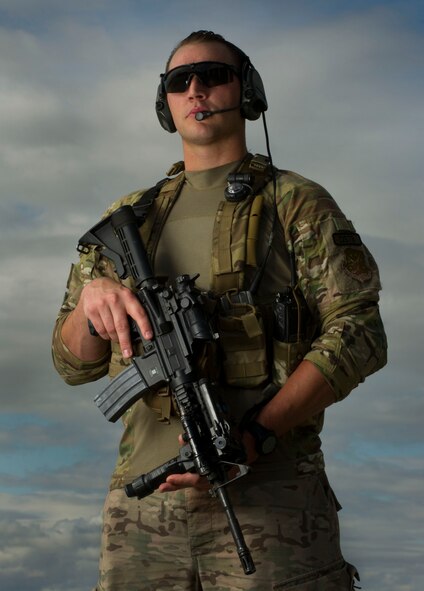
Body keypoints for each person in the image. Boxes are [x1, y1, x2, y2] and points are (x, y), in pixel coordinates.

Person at [52, 30, 387, 591]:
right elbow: (72, 365)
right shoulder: (126, 220)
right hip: (142, 509)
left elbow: (360, 332)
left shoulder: (293, 203)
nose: (196, 90)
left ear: (247, 91)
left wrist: (257, 432)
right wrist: (90, 307)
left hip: (271, 499)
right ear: (166, 103)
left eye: (213, 75)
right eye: (179, 81)